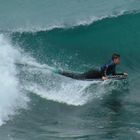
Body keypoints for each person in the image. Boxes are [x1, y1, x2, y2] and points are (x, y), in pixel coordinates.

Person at [59, 53, 128, 80]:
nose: (120, 60)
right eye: (119, 59)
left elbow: (114, 74)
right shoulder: (112, 63)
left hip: (96, 74)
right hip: (94, 73)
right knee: (78, 77)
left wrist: (122, 74)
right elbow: (105, 67)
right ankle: (61, 73)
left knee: (78, 76)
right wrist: (104, 76)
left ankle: (63, 73)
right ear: (115, 59)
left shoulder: (114, 65)